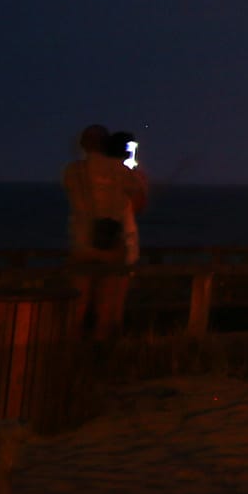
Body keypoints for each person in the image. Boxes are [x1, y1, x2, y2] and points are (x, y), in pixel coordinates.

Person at [61, 124, 147, 336]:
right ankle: (103, 355)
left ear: (83, 144)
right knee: (109, 308)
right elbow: (139, 203)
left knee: (77, 307)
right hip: (113, 247)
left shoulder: (72, 172)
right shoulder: (120, 171)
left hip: (81, 244)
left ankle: (71, 352)